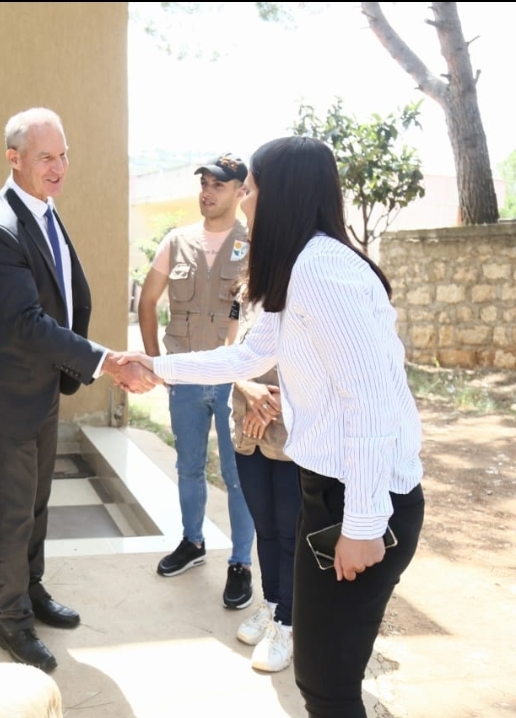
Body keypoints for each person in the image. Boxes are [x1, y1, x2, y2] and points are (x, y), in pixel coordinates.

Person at [124, 136, 425, 717]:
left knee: (328, 688)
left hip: (360, 502)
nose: (245, 200)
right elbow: (247, 356)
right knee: (319, 678)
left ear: (280, 194)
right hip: (329, 494)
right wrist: (156, 366)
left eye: (252, 188)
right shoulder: (297, 268)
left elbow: (367, 402)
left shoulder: (321, 270)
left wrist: (363, 524)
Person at [0, 107, 156, 674]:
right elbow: (26, 322)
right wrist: (104, 361)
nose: (59, 167)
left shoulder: (42, 208)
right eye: (46, 157)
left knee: (37, 505)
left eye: (64, 155)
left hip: (41, 385)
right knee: (13, 514)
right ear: (14, 158)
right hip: (10, 396)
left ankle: (33, 590)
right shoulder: (0, 228)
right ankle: (12, 622)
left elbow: (56, 298)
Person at [136, 152, 256, 610]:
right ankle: (193, 542)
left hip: (232, 379)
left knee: (237, 474)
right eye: (204, 183)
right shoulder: (178, 240)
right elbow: (148, 301)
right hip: (185, 375)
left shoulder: (254, 243)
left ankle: (240, 563)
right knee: (188, 466)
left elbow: (258, 311)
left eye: (218, 185)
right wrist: (154, 362)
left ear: (240, 191)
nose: (207, 192)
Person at [226, 289, 299, 673]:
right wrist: (248, 388)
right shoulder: (245, 293)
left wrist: (267, 405)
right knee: (265, 529)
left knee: (289, 534)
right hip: (247, 431)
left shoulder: (306, 288)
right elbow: (230, 348)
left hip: (290, 434)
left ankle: (287, 624)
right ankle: (272, 606)